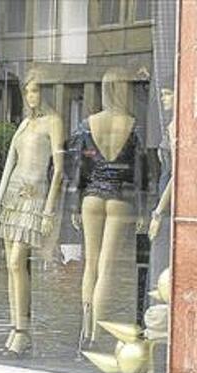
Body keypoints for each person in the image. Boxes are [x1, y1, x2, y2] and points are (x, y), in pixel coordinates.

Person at [70, 67, 147, 349]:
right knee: (106, 267)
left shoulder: (88, 123)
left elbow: (79, 166)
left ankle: (84, 329)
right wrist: (142, 208)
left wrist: (74, 204)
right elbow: (139, 172)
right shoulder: (132, 124)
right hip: (119, 197)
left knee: (89, 264)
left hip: (91, 196)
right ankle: (96, 335)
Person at [0, 72, 64, 357]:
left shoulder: (53, 122)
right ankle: (16, 328)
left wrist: (48, 208)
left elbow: (58, 169)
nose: (31, 96)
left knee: (16, 260)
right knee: (10, 266)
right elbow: (10, 163)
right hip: (12, 197)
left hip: (35, 198)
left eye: (36, 91)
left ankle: (23, 329)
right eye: (28, 91)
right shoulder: (24, 124)